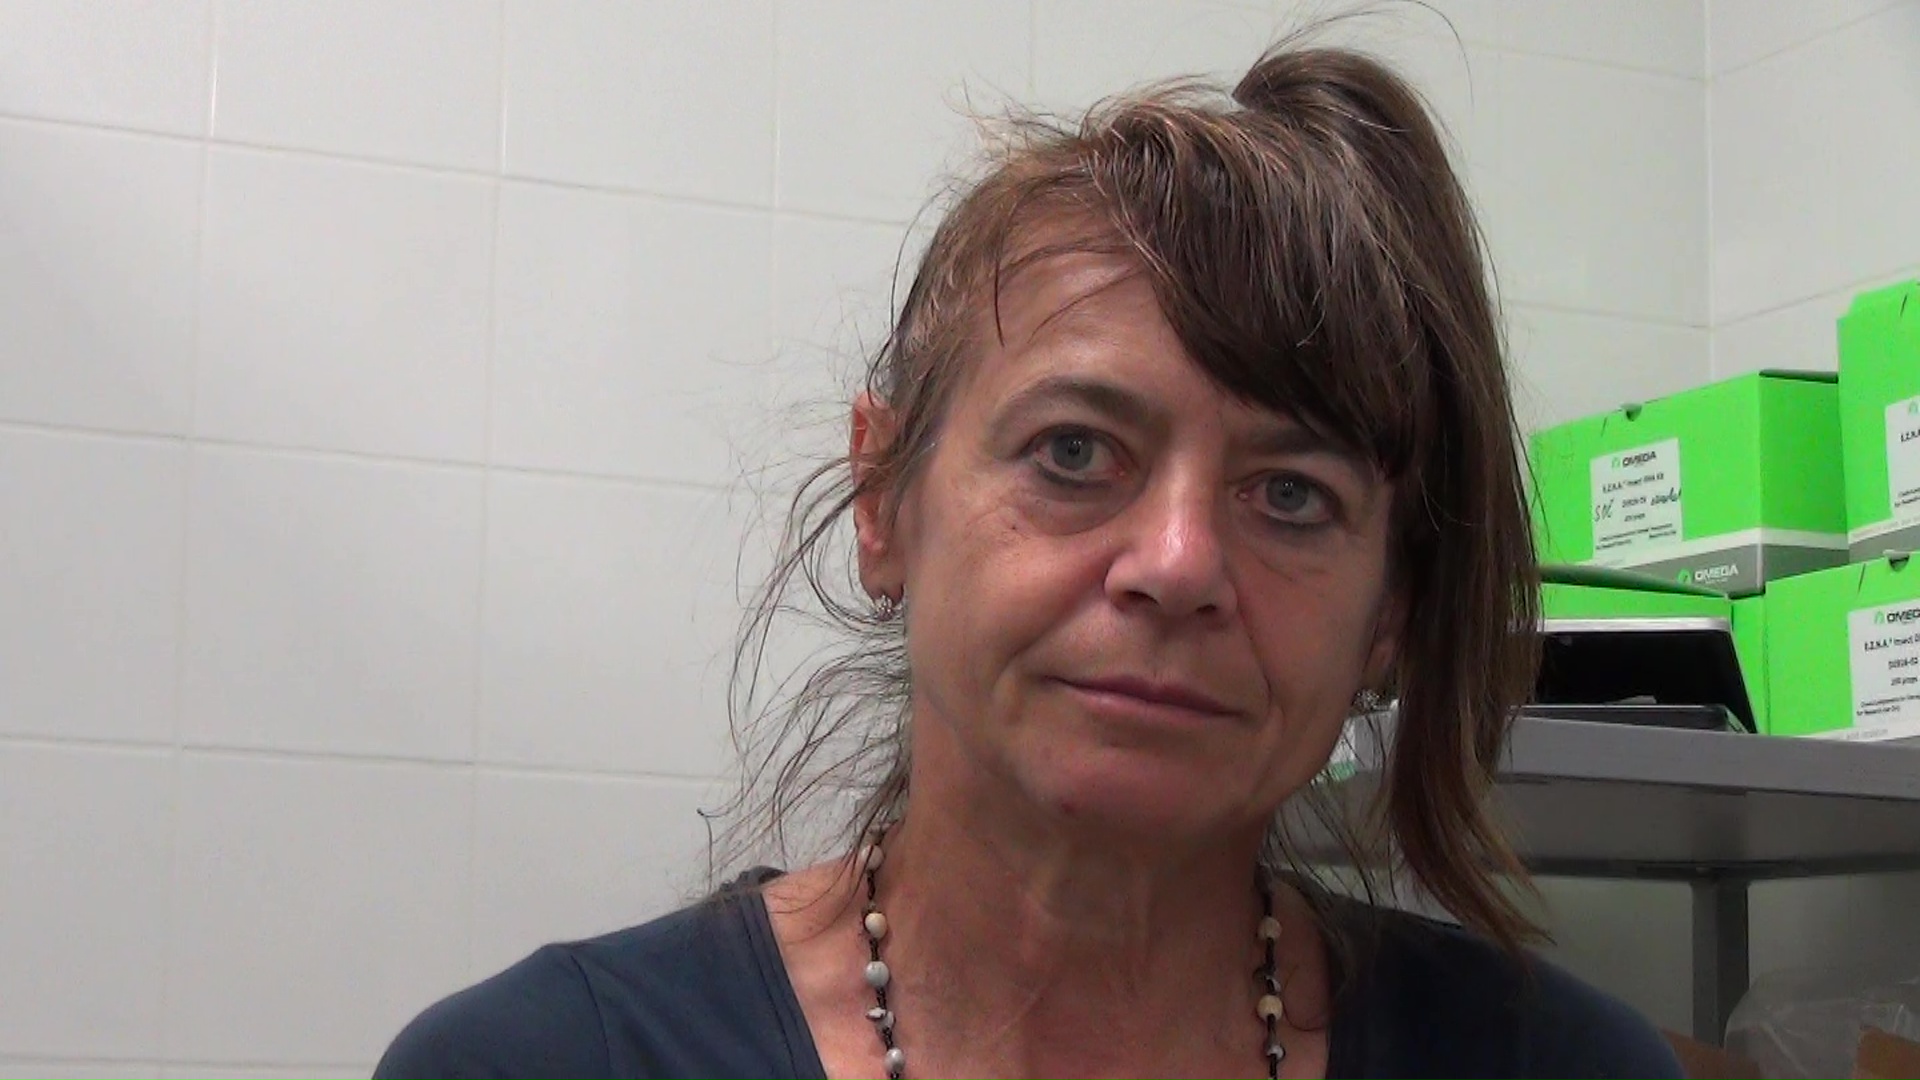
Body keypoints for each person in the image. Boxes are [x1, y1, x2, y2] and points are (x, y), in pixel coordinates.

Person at [374, 42, 1684, 1080]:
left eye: (1291, 496)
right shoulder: (544, 1062)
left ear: (1389, 609)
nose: (1178, 564)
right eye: (1073, 453)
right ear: (885, 501)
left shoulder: (1564, 1066)